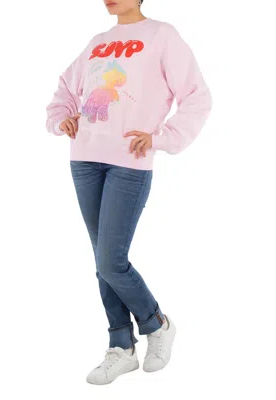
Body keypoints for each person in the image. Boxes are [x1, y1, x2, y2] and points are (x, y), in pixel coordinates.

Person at [45, 0, 212, 385]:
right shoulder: (98, 42)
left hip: (129, 162)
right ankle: (121, 346)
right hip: (84, 159)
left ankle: (156, 323)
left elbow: (197, 96)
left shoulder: (162, 35)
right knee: (102, 260)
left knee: (111, 261)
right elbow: (66, 90)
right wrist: (62, 119)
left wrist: (161, 138)